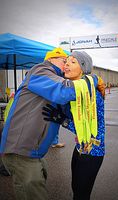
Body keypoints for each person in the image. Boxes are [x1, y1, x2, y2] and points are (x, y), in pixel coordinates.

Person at [0, 47, 80, 200]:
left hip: (32, 150)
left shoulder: (55, 78)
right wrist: (91, 80)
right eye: (64, 61)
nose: (67, 65)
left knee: (38, 182)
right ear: (51, 60)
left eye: (70, 62)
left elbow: (71, 111)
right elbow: (64, 91)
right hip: (21, 150)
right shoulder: (40, 71)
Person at [42, 51, 105, 200]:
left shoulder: (91, 94)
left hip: (92, 152)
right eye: (67, 61)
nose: (67, 64)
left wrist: (62, 120)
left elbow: (91, 130)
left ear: (83, 68)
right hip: (79, 148)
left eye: (73, 62)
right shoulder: (73, 89)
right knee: (76, 188)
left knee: (81, 194)